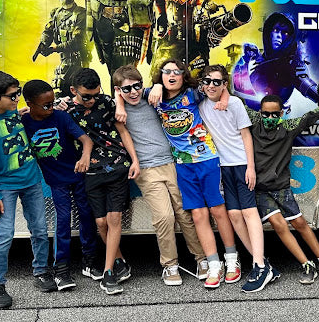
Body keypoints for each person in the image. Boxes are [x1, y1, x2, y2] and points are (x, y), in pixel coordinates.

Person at [148, 59, 240, 289]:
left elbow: (217, 86)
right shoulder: (154, 95)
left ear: (184, 76)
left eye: (177, 72)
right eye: (167, 72)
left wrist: (225, 98)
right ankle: (213, 264)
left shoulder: (193, 94)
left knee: (217, 211)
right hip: (182, 164)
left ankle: (232, 259)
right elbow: (124, 92)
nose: (172, 75)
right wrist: (156, 86)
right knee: (198, 215)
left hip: (207, 159)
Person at [112, 65, 207, 286]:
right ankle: (170, 264)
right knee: (164, 216)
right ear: (118, 90)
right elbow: (124, 134)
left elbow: (170, 88)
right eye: (126, 89)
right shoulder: (118, 110)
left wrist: (156, 85)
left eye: (137, 86)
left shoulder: (153, 99)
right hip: (146, 168)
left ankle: (202, 258)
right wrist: (118, 102)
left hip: (172, 163)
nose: (133, 92)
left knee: (185, 213)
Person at [0, 71, 56, 309]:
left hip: (32, 181)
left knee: (40, 229)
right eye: (12, 95)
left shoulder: (15, 113)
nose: (17, 98)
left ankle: (41, 271)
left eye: (17, 93)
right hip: (4, 187)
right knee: (4, 235)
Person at [198, 64, 273, 293]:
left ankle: (259, 266)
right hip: (222, 166)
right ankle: (262, 262)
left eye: (217, 82)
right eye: (207, 81)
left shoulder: (235, 103)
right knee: (234, 215)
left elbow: (246, 136)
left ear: (225, 84)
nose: (211, 85)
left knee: (249, 212)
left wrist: (251, 167)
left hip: (241, 164)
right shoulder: (201, 105)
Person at [246, 93, 319, 284]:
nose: (270, 118)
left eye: (275, 114)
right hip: (261, 189)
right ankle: (306, 264)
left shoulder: (288, 127)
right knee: (278, 225)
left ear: (282, 113)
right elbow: (235, 103)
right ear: (259, 113)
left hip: (281, 187)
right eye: (266, 114)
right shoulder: (253, 122)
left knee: (300, 223)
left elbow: (310, 116)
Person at [65, 68, 140, 295]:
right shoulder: (65, 108)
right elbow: (34, 110)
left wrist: (135, 160)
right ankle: (119, 261)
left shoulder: (106, 102)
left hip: (117, 165)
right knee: (101, 222)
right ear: (73, 91)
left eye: (95, 95)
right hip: (91, 172)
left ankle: (108, 273)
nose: (91, 100)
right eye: (86, 96)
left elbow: (123, 131)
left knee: (114, 218)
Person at [21, 80, 100, 290]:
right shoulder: (23, 122)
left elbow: (86, 140)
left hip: (77, 175)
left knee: (86, 215)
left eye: (53, 103)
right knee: (63, 221)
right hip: (56, 182)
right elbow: (0, 118)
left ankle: (90, 261)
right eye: (46, 105)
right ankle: (61, 269)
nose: (51, 108)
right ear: (30, 104)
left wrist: (85, 157)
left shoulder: (61, 117)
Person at [233, 12, 319, 111]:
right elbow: (239, 87)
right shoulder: (263, 58)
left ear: (290, 37)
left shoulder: (291, 64)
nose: (279, 35)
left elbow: (307, 85)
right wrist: (246, 59)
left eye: (285, 33)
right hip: (248, 111)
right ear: (269, 32)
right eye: (276, 30)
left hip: (271, 114)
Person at [32, 0, 92, 97]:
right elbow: (48, 31)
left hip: (78, 60)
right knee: (60, 92)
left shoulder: (81, 14)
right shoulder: (56, 13)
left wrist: (54, 49)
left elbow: (77, 42)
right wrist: (43, 45)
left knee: (78, 92)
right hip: (64, 60)